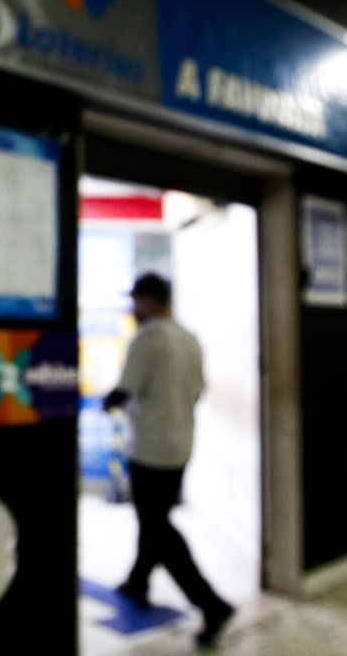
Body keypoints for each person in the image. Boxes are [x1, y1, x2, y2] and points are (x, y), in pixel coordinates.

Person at [102, 272, 234, 647]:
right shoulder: (189, 337)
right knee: (154, 516)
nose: (133, 308)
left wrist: (107, 401)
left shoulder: (148, 338)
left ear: (147, 300)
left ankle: (211, 604)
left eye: (135, 300)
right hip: (180, 447)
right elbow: (198, 390)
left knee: (157, 526)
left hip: (149, 450)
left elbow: (126, 389)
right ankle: (137, 582)